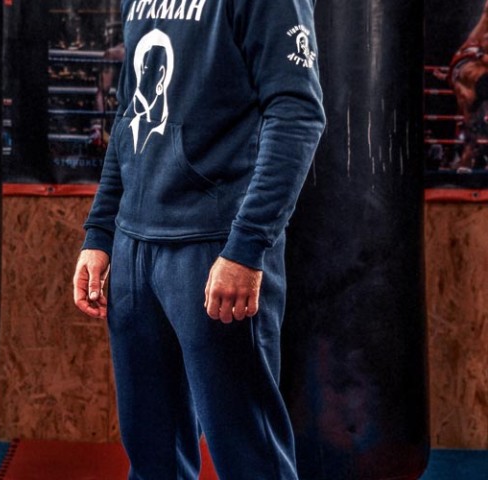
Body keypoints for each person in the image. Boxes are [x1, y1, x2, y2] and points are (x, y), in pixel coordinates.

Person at [73, 0, 325, 478]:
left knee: (249, 455)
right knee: (153, 457)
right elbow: (129, 113)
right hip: (134, 249)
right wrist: (100, 232)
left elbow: (296, 113)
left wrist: (246, 247)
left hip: (213, 248)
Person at [434, 0, 488, 172]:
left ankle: (466, 160)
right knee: (471, 123)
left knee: (471, 123)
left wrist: (480, 56)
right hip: (463, 70)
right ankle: (466, 160)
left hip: (466, 70)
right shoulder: (476, 46)